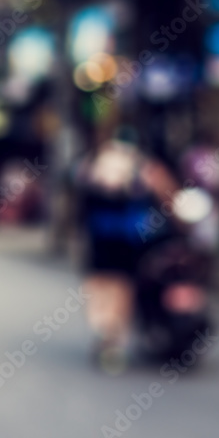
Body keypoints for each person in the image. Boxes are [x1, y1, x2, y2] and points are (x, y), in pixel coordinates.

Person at [77, 129, 177, 372]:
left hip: (102, 242)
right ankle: (113, 340)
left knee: (104, 290)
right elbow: (167, 198)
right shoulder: (143, 170)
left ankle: (107, 336)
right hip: (124, 243)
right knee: (119, 290)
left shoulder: (90, 168)